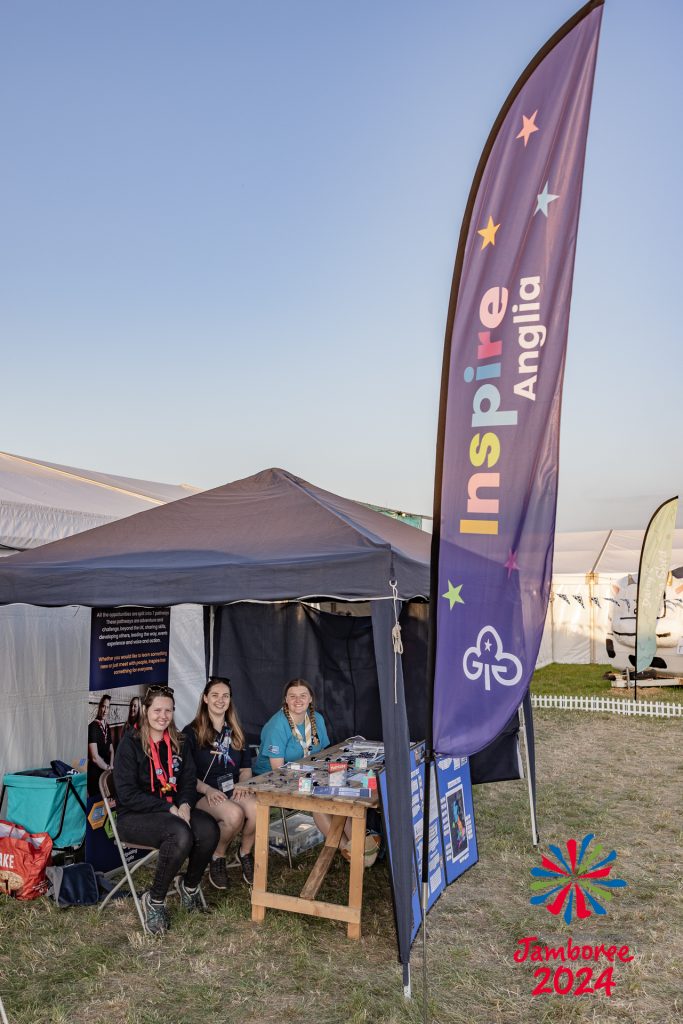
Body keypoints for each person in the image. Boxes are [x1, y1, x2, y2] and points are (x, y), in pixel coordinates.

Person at [113, 685, 219, 935]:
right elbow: (127, 795)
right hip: (136, 817)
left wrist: (184, 803)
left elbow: (188, 779)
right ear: (146, 710)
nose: (163, 716)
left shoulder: (179, 741)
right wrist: (168, 807)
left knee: (209, 829)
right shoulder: (130, 743)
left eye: (168, 711)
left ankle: (189, 887)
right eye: (157, 710)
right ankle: (155, 899)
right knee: (180, 833)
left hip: (173, 811)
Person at [182, 677, 257, 888]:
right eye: (214, 695)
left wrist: (243, 784)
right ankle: (218, 855)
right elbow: (186, 775)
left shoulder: (236, 730)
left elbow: (245, 769)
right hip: (203, 792)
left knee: (258, 808)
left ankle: (245, 853)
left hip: (232, 788)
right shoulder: (191, 732)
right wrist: (207, 790)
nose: (220, 700)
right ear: (205, 698)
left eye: (225, 696)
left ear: (230, 700)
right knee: (235, 815)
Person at [87, 694, 114, 797]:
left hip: (106, 771)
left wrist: (111, 765)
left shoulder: (107, 726)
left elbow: (111, 750)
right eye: (103, 706)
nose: (104, 710)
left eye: (107, 707)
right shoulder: (92, 727)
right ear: (99, 707)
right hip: (95, 773)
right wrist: (108, 768)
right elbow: (94, 757)